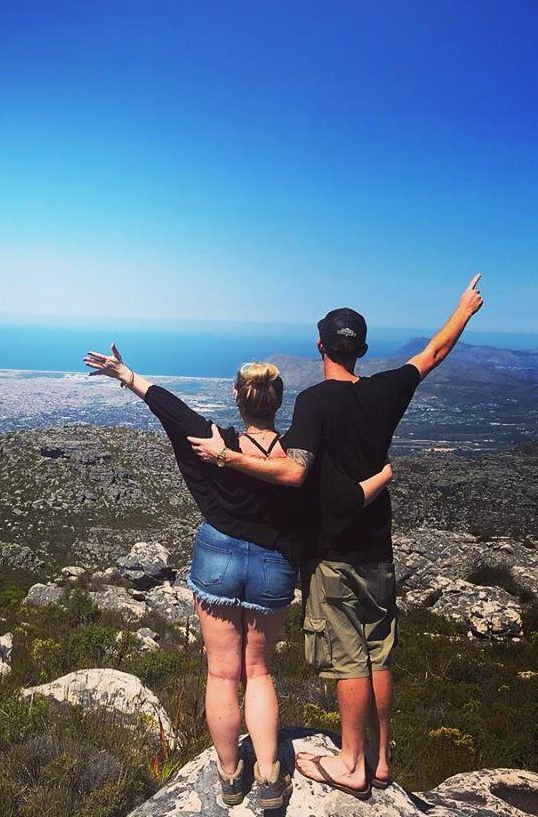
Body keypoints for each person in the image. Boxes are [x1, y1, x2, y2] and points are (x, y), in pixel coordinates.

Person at [189, 275, 484, 799]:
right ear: (362, 351)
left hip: (334, 551)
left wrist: (227, 457)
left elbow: (293, 472)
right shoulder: (388, 390)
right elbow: (434, 352)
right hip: (379, 549)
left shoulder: (315, 403)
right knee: (379, 652)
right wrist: (464, 308)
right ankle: (382, 758)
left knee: (349, 658)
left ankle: (351, 763)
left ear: (321, 346)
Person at [83, 344, 392, 808]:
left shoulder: (214, 443)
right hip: (273, 565)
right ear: (278, 402)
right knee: (259, 671)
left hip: (216, 559)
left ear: (237, 399)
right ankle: (269, 775)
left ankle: (230, 776)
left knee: (222, 673)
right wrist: (382, 476)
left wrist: (126, 373)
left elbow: (169, 407)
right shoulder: (296, 461)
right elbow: (341, 500)